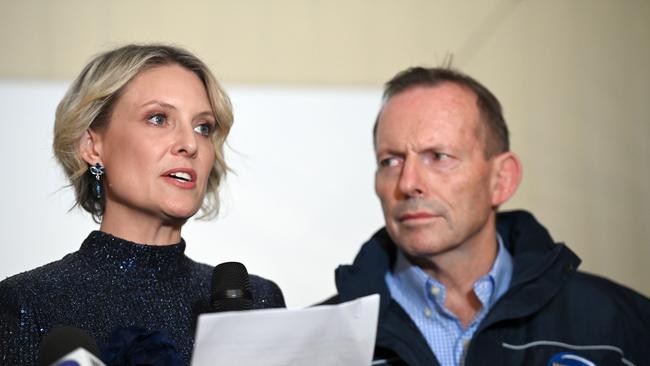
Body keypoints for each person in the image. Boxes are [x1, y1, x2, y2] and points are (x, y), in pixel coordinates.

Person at [326, 67, 650, 365]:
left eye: (438, 157)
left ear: (502, 180)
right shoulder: (320, 342)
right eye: (390, 161)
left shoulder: (624, 324)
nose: (408, 183)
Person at [0, 44, 285, 365]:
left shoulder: (258, 302)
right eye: (159, 118)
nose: (191, 144)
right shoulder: (29, 302)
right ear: (92, 145)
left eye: (203, 127)